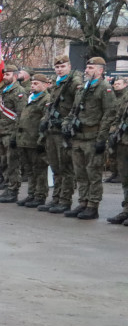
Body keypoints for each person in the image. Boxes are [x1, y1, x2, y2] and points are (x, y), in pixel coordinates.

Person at [62, 57, 116, 220]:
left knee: (93, 174)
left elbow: (109, 114)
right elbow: (74, 110)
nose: (86, 70)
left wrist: (102, 138)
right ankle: (83, 202)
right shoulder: (82, 88)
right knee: (80, 173)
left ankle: (93, 206)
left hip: (93, 137)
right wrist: (67, 124)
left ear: (100, 71)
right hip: (78, 137)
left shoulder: (104, 88)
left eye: (91, 68)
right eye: (87, 67)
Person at [41, 55, 81, 213]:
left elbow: (76, 106)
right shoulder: (57, 84)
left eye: (62, 66)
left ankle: (65, 200)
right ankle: (56, 198)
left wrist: (66, 123)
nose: (59, 69)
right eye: (57, 67)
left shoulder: (73, 83)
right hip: (52, 130)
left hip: (63, 131)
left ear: (69, 67)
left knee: (66, 168)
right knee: (55, 167)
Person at [14, 74, 52, 208]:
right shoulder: (29, 98)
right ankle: (31, 194)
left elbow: (44, 121)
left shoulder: (46, 99)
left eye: (36, 83)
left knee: (39, 170)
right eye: (32, 83)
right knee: (29, 170)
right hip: (25, 139)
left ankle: (40, 195)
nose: (33, 86)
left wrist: (42, 140)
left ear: (45, 84)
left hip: (36, 140)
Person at [0, 68, 26, 199]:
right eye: (4, 75)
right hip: (0, 131)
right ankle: (6, 186)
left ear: (16, 76)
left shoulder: (19, 91)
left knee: (12, 163)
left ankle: (13, 190)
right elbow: (0, 111)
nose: (5, 77)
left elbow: (20, 114)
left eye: (8, 74)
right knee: (3, 161)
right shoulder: (3, 91)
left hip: (10, 132)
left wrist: (16, 134)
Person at [106, 82, 128, 225]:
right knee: (126, 178)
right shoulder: (125, 96)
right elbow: (118, 116)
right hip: (124, 142)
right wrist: (113, 133)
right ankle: (126, 209)